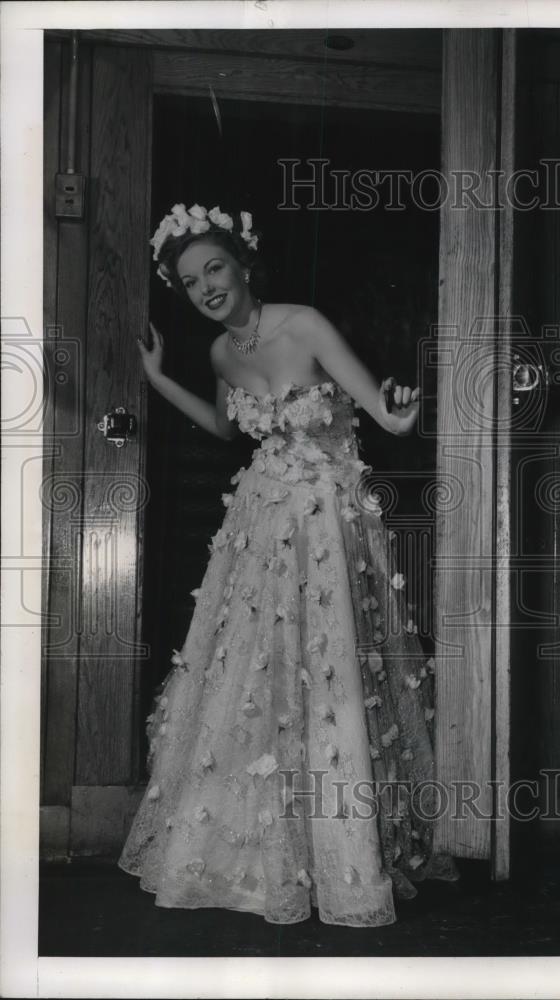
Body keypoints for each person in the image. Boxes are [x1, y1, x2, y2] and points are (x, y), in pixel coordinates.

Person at [119, 203, 458, 927]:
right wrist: (156, 380)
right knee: (255, 676)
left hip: (329, 524)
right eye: (190, 281)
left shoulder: (303, 323)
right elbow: (221, 426)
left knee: (332, 672)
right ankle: (255, 855)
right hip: (259, 525)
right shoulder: (218, 353)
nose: (206, 286)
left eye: (214, 268)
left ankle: (345, 856)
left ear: (243, 264)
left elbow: (383, 412)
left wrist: (400, 411)